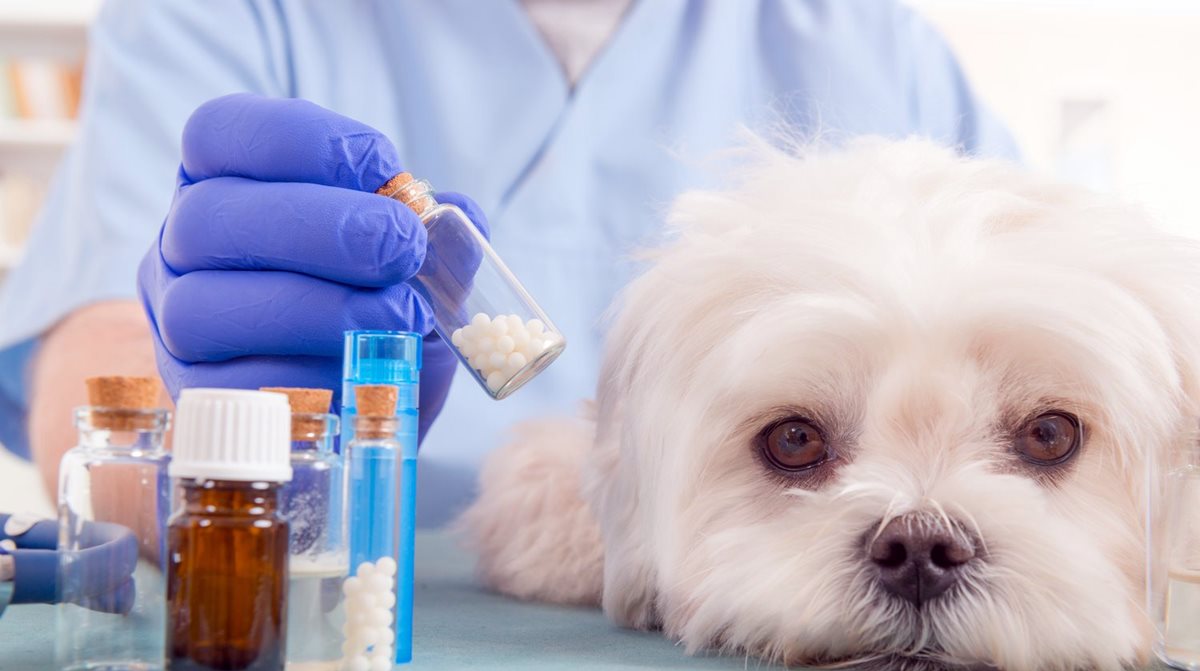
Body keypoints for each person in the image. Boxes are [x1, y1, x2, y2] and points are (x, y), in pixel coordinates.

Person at [0, 1, 1016, 525]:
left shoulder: (870, 42)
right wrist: (233, 461)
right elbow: (98, 375)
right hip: (346, 609)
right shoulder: (226, 15)